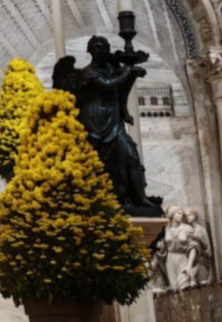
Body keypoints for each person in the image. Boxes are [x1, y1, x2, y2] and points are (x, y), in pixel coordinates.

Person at [53, 35, 162, 216]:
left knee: (130, 155)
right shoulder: (88, 72)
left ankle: (140, 198)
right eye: (96, 47)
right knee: (99, 162)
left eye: (103, 47)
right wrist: (128, 71)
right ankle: (101, 200)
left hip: (113, 119)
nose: (100, 50)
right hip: (94, 119)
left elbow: (121, 91)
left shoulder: (113, 69)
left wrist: (124, 110)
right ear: (89, 51)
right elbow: (108, 84)